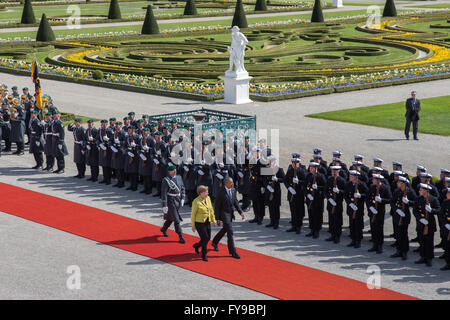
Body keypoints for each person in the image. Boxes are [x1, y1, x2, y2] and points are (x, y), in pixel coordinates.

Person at [211, 177, 245, 259]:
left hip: (230, 213)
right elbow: (217, 206)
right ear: (226, 183)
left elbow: (235, 201)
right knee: (230, 232)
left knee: (225, 229)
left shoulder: (233, 190)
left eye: (232, 182)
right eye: (230, 183)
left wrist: (241, 212)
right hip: (224, 214)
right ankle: (233, 251)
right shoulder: (221, 192)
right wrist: (217, 218)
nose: (232, 184)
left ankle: (214, 242)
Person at [390, 176, 417, 260]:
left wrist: (408, 202)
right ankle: (398, 250)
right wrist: (397, 210)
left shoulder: (410, 192)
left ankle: (404, 251)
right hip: (397, 215)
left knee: (404, 234)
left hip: (405, 216)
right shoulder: (397, 191)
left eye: (399, 182)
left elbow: (416, 202)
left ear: (403, 184)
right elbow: (392, 202)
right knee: (398, 234)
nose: (397, 183)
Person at [414, 183, 440, 267]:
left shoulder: (433, 199)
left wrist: (431, 210)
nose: (419, 191)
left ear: (426, 191)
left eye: (421, 190)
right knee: (422, 241)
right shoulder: (419, 199)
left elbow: (438, 210)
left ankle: (429, 258)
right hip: (421, 223)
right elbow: (415, 210)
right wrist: (420, 218)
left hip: (430, 224)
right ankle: (423, 256)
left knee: (429, 242)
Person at [160, 165, 186, 243]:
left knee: (171, 218)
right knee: (176, 219)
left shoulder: (179, 177)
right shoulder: (166, 180)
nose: (175, 171)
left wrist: (183, 198)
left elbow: (182, 188)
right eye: (173, 171)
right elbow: (164, 193)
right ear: (169, 172)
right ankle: (180, 236)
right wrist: (164, 205)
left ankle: (164, 229)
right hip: (170, 201)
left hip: (177, 200)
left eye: (175, 170)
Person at [191, 185, 217, 261]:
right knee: (205, 238)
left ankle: (197, 245)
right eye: (205, 192)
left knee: (208, 238)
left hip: (207, 221)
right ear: (200, 193)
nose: (207, 193)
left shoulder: (208, 198)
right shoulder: (196, 201)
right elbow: (193, 214)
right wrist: (193, 225)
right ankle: (204, 254)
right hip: (199, 223)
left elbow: (211, 210)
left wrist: (214, 220)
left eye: (207, 192)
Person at [325, 165, 346, 243]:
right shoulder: (329, 179)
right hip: (330, 203)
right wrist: (329, 198)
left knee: (337, 221)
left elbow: (345, 192)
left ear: (338, 171)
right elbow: (326, 191)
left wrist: (339, 191)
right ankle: (332, 235)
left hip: (338, 204)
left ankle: (337, 236)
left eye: (335, 171)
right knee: (331, 220)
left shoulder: (342, 180)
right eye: (332, 171)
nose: (333, 172)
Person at [441, 188, 450, 270]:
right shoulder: (445, 202)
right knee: (447, 246)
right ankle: (448, 263)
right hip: (447, 228)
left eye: (448, 193)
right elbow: (441, 214)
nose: (447, 194)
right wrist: (445, 224)